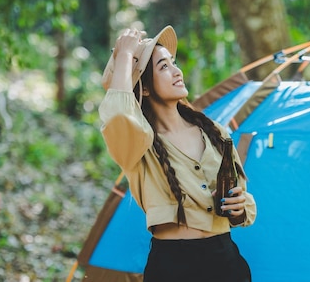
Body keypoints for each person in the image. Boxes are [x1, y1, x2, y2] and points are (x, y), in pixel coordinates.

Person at [98, 25, 257, 282]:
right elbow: (118, 115)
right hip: (173, 267)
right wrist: (124, 56)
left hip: (226, 262)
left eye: (173, 63)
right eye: (163, 67)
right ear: (145, 88)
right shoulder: (138, 144)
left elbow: (243, 199)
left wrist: (238, 208)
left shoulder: (213, 131)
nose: (176, 72)